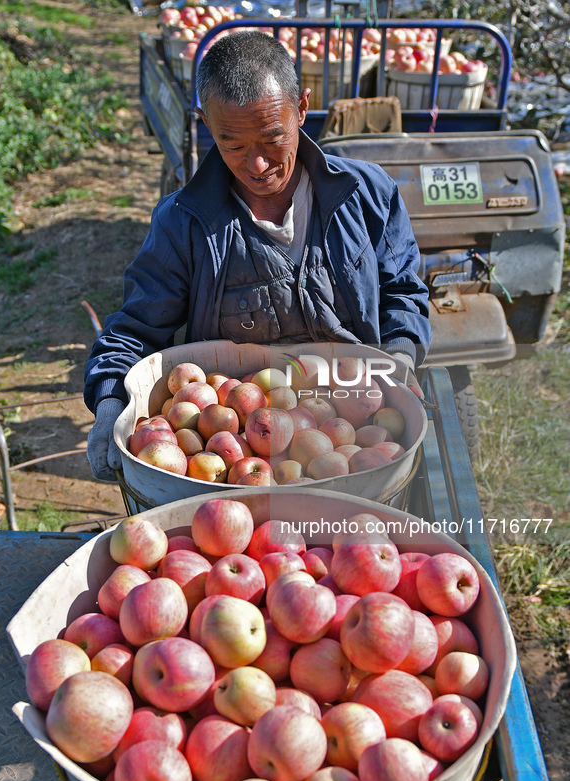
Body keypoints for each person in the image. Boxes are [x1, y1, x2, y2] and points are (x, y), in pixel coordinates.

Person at [85, 29, 431, 482]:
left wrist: (399, 361)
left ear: (302, 108)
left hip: (355, 434)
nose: (258, 165)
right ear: (207, 124)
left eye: (272, 139)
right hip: (232, 453)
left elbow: (402, 291)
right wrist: (111, 404)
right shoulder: (184, 223)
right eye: (233, 145)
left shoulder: (366, 195)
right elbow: (135, 330)